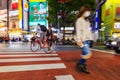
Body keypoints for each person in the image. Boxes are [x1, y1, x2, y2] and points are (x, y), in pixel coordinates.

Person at [75, 5, 93, 74]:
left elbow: (89, 31)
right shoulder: (79, 20)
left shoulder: (87, 21)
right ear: (83, 11)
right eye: (87, 11)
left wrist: (91, 39)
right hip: (83, 40)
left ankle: (81, 65)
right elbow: (78, 31)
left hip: (88, 40)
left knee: (85, 53)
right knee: (88, 54)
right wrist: (78, 40)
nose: (88, 13)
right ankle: (81, 65)